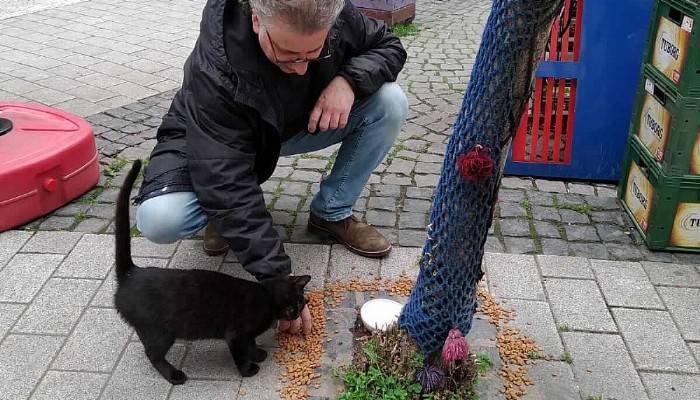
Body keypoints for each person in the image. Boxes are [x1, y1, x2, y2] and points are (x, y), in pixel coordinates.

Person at [133, 0, 408, 335]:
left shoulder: (328, 12)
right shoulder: (216, 67)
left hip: (293, 123)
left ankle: (332, 212)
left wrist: (348, 82)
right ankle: (218, 217)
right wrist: (277, 279)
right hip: (219, 139)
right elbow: (224, 176)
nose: (301, 69)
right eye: (289, 55)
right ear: (255, 20)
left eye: (313, 53)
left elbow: (388, 46)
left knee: (389, 101)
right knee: (160, 218)